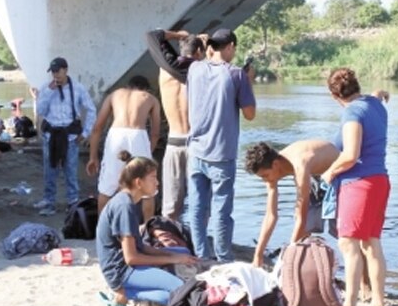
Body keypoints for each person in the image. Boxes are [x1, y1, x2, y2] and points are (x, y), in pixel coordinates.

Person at [321, 68, 390, 306]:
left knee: (348, 244)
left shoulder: (351, 112)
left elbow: (351, 155)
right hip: (380, 179)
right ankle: (379, 301)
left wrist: (330, 172)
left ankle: (349, 305)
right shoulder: (373, 104)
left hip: (358, 183)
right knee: (372, 243)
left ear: (334, 95)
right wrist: (382, 93)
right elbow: (378, 95)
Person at [184, 29, 256, 262]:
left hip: (195, 150)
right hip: (221, 153)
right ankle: (223, 257)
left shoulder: (194, 69)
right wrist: (249, 82)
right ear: (231, 46)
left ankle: (201, 256)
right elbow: (250, 114)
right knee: (222, 211)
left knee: (197, 208)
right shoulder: (236, 74)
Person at [96, 151, 198, 306]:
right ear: (138, 182)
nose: (157, 183)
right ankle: (125, 295)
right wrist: (173, 259)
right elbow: (131, 258)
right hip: (122, 271)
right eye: (153, 178)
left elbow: (140, 246)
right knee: (179, 291)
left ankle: (142, 286)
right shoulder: (124, 207)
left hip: (129, 264)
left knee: (184, 253)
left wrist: (172, 254)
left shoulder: (130, 201)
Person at [244, 140, 341, 266]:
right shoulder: (272, 172)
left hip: (339, 172)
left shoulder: (300, 165)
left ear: (275, 164)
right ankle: (303, 271)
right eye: (262, 177)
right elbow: (270, 216)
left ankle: (364, 282)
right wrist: (258, 255)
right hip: (314, 175)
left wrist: (286, 256)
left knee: (345, 237)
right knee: (304, 232)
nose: (265, 180)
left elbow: (302, 217)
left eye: (265, 176)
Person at [146, 29, 206, 223]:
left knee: (171, 206)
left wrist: (178, 35)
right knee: (200, 202)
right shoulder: (202, 72)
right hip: (195, 143)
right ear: (199, 52)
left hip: (174, 141)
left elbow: (152, 35)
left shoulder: (166, 70)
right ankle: (200, 246)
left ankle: (168, 242)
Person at [86, 75, 161, 216]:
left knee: (107, 187)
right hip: (139, 135)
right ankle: (147, 229)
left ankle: (104, 230)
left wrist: (93, 157)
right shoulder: (150, 98)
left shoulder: (115, 95)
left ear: (128, 86)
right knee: (147, 189)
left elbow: (97, 128)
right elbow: (155, 133)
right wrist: (147, 154)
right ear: (145, 89)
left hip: (116, 135)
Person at [31, 57, 97, 216]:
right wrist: (48, 92)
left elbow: (91, 110)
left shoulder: (78, 88)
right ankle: (49, 201)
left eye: (58, 71)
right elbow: (40, 111)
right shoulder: (46, 88)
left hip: (69, 135)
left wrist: (86, 132)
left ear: (65, 70)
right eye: (53, 72)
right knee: (50, 170)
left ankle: (73, 202)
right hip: (51, 135)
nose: (55, 75)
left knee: (70, 170)